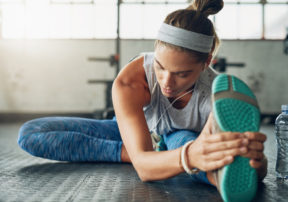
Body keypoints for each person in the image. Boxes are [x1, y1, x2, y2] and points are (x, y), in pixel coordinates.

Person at [18, 0, 267, 201]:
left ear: (206, 61)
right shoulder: (131, 80)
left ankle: (217, 177)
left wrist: (256, 162)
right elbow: (145, 170)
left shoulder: (215, 93)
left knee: (190, 144)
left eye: (182, 74)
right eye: (160, 67)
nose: (167, 82)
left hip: (182, 140)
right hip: (132, 133)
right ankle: (135, 153)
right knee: (31, 133)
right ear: (154, 52)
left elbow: (224, 152)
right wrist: (151, 156)